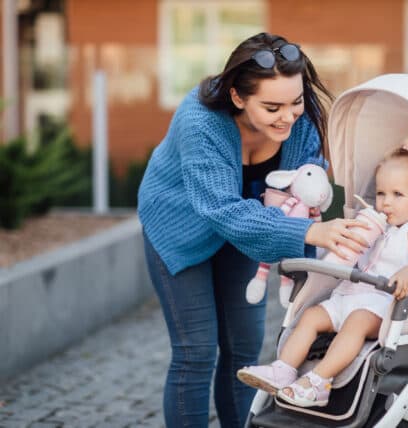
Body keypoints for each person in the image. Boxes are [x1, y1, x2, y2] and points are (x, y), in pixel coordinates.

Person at [137, 32, 369, 427]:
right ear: (237, 97)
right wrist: (309, 235)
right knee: (195, 352)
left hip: (251, 233)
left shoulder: (303, 119)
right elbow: (222, 209)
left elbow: (305, 201)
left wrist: (304, 273)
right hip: (179, 227)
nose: (288, 116)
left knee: (245, 351)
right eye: (272, 106)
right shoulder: (200, 120)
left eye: (295, 101)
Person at [237, 134, 408, 408]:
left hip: (380, 306)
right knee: (312, 316)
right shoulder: (377, 225)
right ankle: (284, 369)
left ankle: (318, 381)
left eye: (398, 195)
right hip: (348, 294)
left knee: (356, 323)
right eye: (381, 193)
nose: (385, 202)